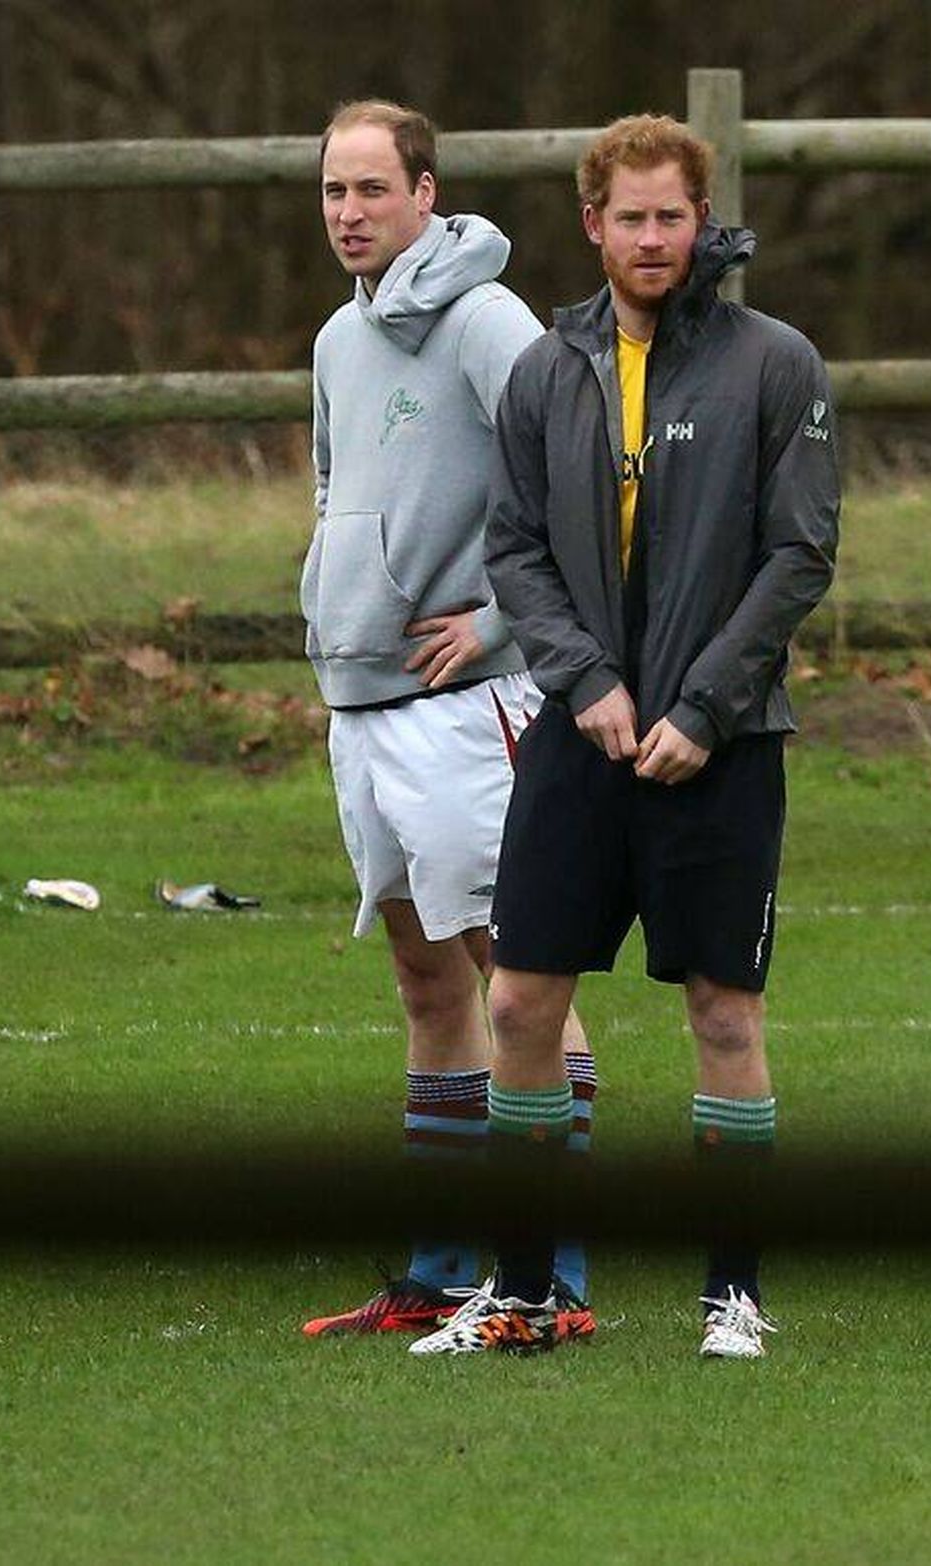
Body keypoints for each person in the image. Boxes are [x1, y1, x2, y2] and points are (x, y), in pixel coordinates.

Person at [410, 113, 839, 1360]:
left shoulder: (777, 363)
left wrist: (703, 709)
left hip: (725, 743)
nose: (652, 238)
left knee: (723, 1014)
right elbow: (516, 551)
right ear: (590, 225)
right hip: (578, 739)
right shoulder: (549, 370)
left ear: (701, 223)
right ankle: (528, 1294)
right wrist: (586, 683)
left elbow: (799, 553)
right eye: (629, 217)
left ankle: (733, 1298)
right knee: (527, 998)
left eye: (673, 216)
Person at [297, 99, 596, 1339]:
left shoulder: (488, 320)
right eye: (332, 193)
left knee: (517, 984)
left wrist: (504, 629)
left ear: (427, 192)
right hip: (363, 708)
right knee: (428, 985)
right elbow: (331, 488)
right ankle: (435, 1270)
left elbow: (576, 476)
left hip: (473, 710)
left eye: (373, 190)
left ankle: (557, 1277)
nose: (351, 214)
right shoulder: (334, 337)